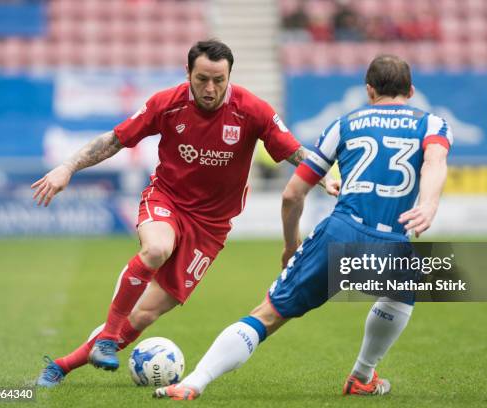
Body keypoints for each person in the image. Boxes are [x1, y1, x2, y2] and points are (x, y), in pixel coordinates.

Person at [33, 39, 338, 387]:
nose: (210, 89)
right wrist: (68, 167)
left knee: (146, 313)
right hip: (167, 199)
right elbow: (116, 139)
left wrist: (325, 176)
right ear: (188, 74)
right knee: (156, 249)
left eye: (219, 80)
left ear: (230, 76)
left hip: (210, 228)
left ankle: (61, 366)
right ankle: (107, 338)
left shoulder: (253, 110)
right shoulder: (166, 104)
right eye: (202, 79)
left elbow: (294, 151)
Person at [153, 54, 452, 400]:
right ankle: (362, 375)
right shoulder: (432, 124)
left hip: (341, 232)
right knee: (402, 292)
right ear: (411, 91)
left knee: (267, 316)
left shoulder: (344, 125)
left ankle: (193, 383)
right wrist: (428, 204)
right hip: (393, 238)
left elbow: (292, 194)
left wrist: (290, 244)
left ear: (368, 90)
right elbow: (435, 160)